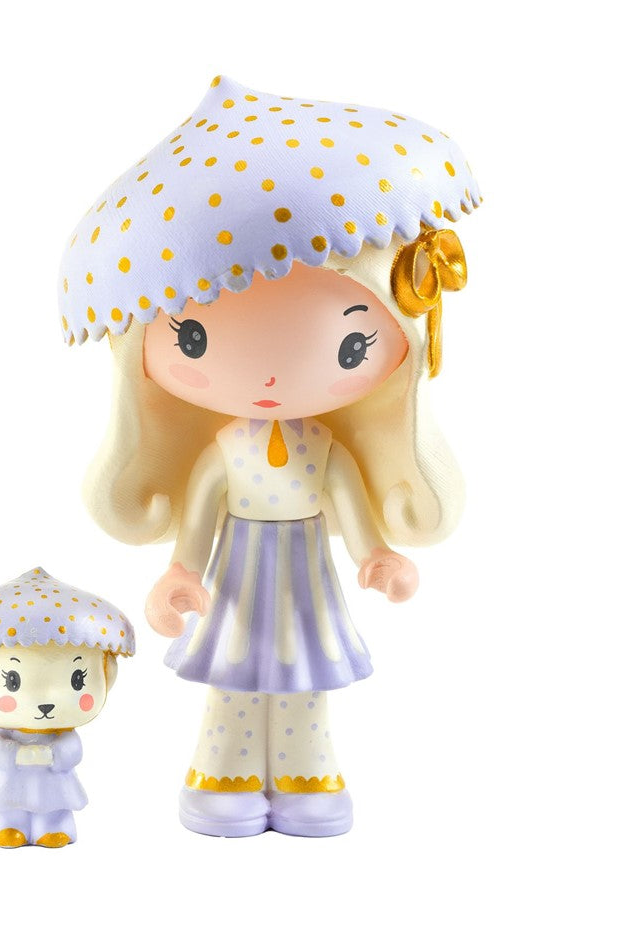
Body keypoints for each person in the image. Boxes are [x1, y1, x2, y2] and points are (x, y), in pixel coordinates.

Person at [57, 75, 479, 836]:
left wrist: (375, 554)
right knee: (234, 680)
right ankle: (222, 773)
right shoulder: (224, 449)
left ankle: (310, 775)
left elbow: (347, 499)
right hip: (237, 576)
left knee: (304, 679)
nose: (275, 377)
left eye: (352, 344)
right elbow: (200, 513)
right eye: (193, 339)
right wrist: (181, 572)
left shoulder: (323, 447)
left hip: (307, 574)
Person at [0, 566, 134, 847]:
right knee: (8, 804)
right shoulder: (4, 734)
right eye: (12, 681)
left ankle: (53, 827)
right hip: (12, 779)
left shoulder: (63, 734)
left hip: (52, 781)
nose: (45, 700)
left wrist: (54, 754)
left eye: (77, 680)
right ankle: (7, 825)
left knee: (54, 806)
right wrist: (16, 754)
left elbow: (71, 750)